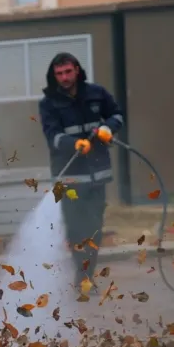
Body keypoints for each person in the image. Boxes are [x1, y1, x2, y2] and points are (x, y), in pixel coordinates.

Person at [38, 52, 124, 289]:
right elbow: (52, 136)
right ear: (54, 76)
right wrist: (73, 144)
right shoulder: (48, 104)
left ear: (76, 70)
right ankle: (83, 276)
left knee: (95, 229)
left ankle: (87, 273)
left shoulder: (97, 94)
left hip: (98, 174)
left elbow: (117, 114)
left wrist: (108, 128)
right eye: (59, 74)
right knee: (76, 230)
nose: (64, 77)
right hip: (69, 177)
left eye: (67, 72)